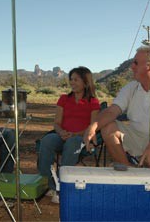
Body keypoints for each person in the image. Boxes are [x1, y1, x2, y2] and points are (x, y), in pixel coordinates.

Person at [83, 46, 150, 214]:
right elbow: (112, 111)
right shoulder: (131, 87)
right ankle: (132, 177)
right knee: (108, 127)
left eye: (136, 63)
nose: (132, 67)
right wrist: (94, 126)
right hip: (137, 136)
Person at [38, 66, 100, 203]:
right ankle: (47, 185)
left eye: (76, 80)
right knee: (47, 140)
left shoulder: (93, 102)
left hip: (80, 138)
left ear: (85, 82)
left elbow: (92, 126)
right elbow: (57, 123)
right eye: (71, 79)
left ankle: (62, 186)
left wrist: (74, 134)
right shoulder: (64, 99)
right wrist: (61, 132)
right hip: (62, 135)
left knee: (73, 143)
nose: (72, 82)